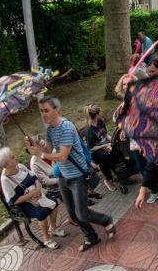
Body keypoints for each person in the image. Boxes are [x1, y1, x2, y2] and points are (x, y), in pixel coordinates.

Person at [25, 96, 115, 252]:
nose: (43, 114)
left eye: (46, 110)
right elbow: (50, 150)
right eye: (41, 111)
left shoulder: (66, 127)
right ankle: (91, 237)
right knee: (73, 215)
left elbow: (62, 156)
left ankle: (106, 220)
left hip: (77, 176)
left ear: (56, 110)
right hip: (63, 176)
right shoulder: (50, 129)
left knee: (82, 213)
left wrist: (40, 155)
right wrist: (37, 147)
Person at [0, 147, 63, 249]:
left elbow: (34, 177)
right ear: (6, 164)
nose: (16, 157)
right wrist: (32, 194)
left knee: (54, 202)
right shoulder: (5, 180)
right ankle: (46, 239)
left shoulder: (20, 166)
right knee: (42, 212)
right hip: (25, 204)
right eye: (12, 157)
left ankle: (53, 228)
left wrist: (37, 189)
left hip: (37, 195)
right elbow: (13, 201)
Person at [83, 104, 117, 192]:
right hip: (96, 151)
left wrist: (112, 142)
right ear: (96, 115)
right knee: (104, 156)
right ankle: (108, 180)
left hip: (105, 145)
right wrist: (105, 146)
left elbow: (105, 135)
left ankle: (118, 171)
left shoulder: (100, 121)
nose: (101, 114)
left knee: (116, 148)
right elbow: (91, 148)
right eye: (100, 113)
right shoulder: (89, 130)